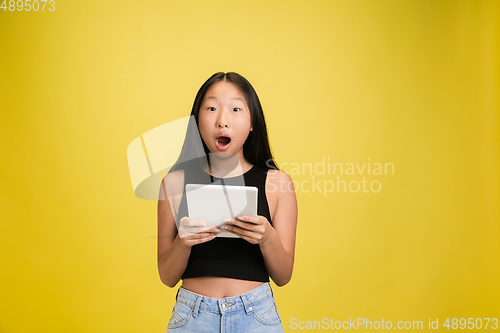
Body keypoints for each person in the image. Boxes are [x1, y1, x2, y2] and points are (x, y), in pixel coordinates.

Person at [157, 72, 298, 332]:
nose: (222, 121)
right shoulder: (174, 184)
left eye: (235, 109)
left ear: (252, 121)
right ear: (196, 121)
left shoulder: (277, 184)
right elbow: (167, 277)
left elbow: (283, 276)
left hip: (256, 316)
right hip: (192, 316)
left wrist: (267, 238)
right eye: (211, 108)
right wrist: (183, 242)